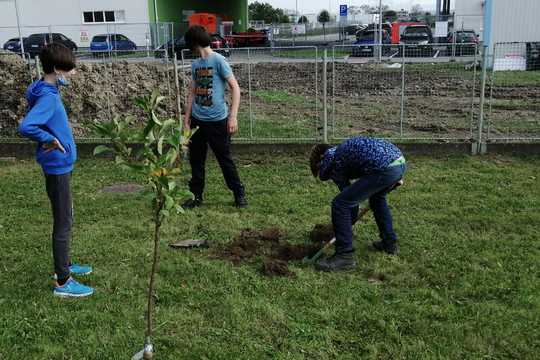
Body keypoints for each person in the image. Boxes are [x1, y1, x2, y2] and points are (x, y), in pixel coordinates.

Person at [19, 43, 93, 297]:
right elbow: (26, 126)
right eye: (69, 70)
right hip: (57, 165)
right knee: (64, 221)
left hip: (58, 164)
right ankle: (63, 281)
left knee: (66, 214)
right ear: (57, 69)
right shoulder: (48, 98)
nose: (72, 74)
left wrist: (60, 79)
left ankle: (66, 264)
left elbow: (54, 85)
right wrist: (48, 138)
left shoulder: (44, 86)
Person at [310, 136, 407, 272]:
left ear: (321, 160)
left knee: (340, 204)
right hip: (399, 163)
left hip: (385, 168)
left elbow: (349, 204)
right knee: (377, 198)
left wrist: (344, 227)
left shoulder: (334, 161)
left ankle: (344, 257)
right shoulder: (342, 151)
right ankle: (389, 243)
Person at [182, 25, 247, 209]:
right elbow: (191, 94)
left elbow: (235, 88)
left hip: (218, 121)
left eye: (190, 45)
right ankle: (196, 196)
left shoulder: (219, 60)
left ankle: (238, 193)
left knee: (224, 159)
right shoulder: (196, 65)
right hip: (197, 122)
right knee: (196, 161)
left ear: (195, 43)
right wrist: (186, 121)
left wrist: (233, 117)